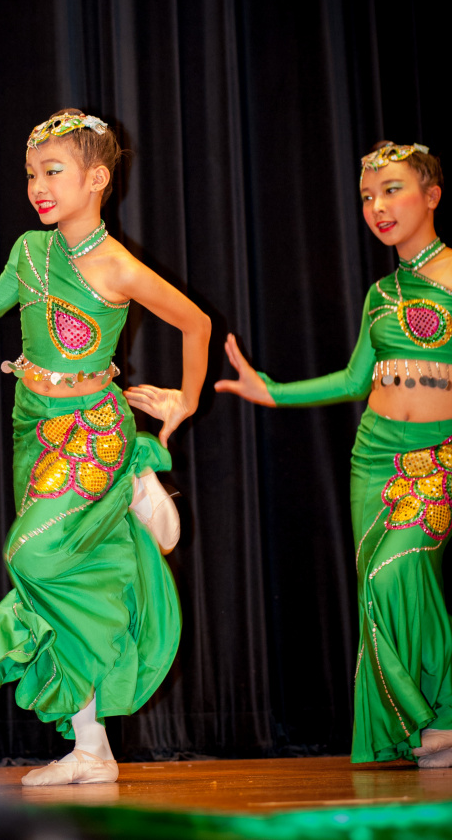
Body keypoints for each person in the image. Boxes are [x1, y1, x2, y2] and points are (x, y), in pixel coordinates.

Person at [0, 108, 211, 785]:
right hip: (34, 424)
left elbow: (195, 323)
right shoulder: (30, 249)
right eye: (31, 174)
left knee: (30, 553)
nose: (37, 187)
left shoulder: (118, 266)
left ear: (97, 178)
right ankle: (91, 749)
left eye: (53, 171)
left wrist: (187, 398)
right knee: (53, 582)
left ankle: (132, 479)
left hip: (93, 427)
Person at [215, 141, 452, 767]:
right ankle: (430, 723)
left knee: (398, 569)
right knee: (378, 586)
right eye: (368, 196)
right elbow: (353, 380)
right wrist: (272, 391)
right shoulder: (382, 293)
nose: (378, 207)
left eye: (392, 190)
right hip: (373, 458)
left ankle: (444, 710)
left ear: (431, 195)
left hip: (439, 455)